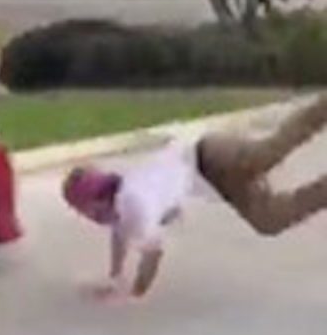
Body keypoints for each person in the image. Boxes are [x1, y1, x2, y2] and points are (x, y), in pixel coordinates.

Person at [62, 93, 327, 301]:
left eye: (82, 211)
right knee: (269, 220)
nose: (86, 217)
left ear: (93, 203)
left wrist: (133, 295)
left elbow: (153, 255)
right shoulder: (120, 207)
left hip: (209, 155)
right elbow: (119, 236)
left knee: (266, 155)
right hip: (217, 181)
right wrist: (115, 277)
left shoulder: (132, 203)